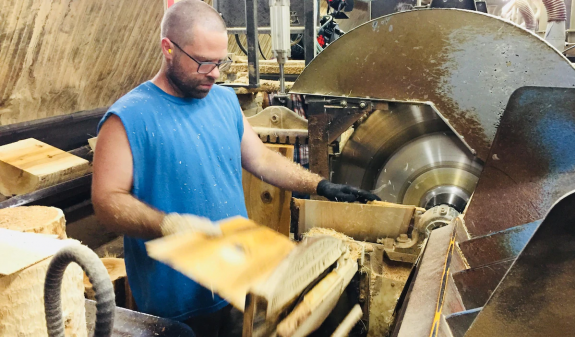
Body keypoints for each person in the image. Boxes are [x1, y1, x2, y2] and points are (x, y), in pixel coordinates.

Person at [91, 0, 380, 335]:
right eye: (203, 63)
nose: (215, 73)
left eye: (220, 61)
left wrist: (319, 186)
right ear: (168, 49)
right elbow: (107, 201)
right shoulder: (128, 117)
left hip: (238, 285)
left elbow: (262, 159)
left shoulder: (223, 100)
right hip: (175, 307)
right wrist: (167, 224)